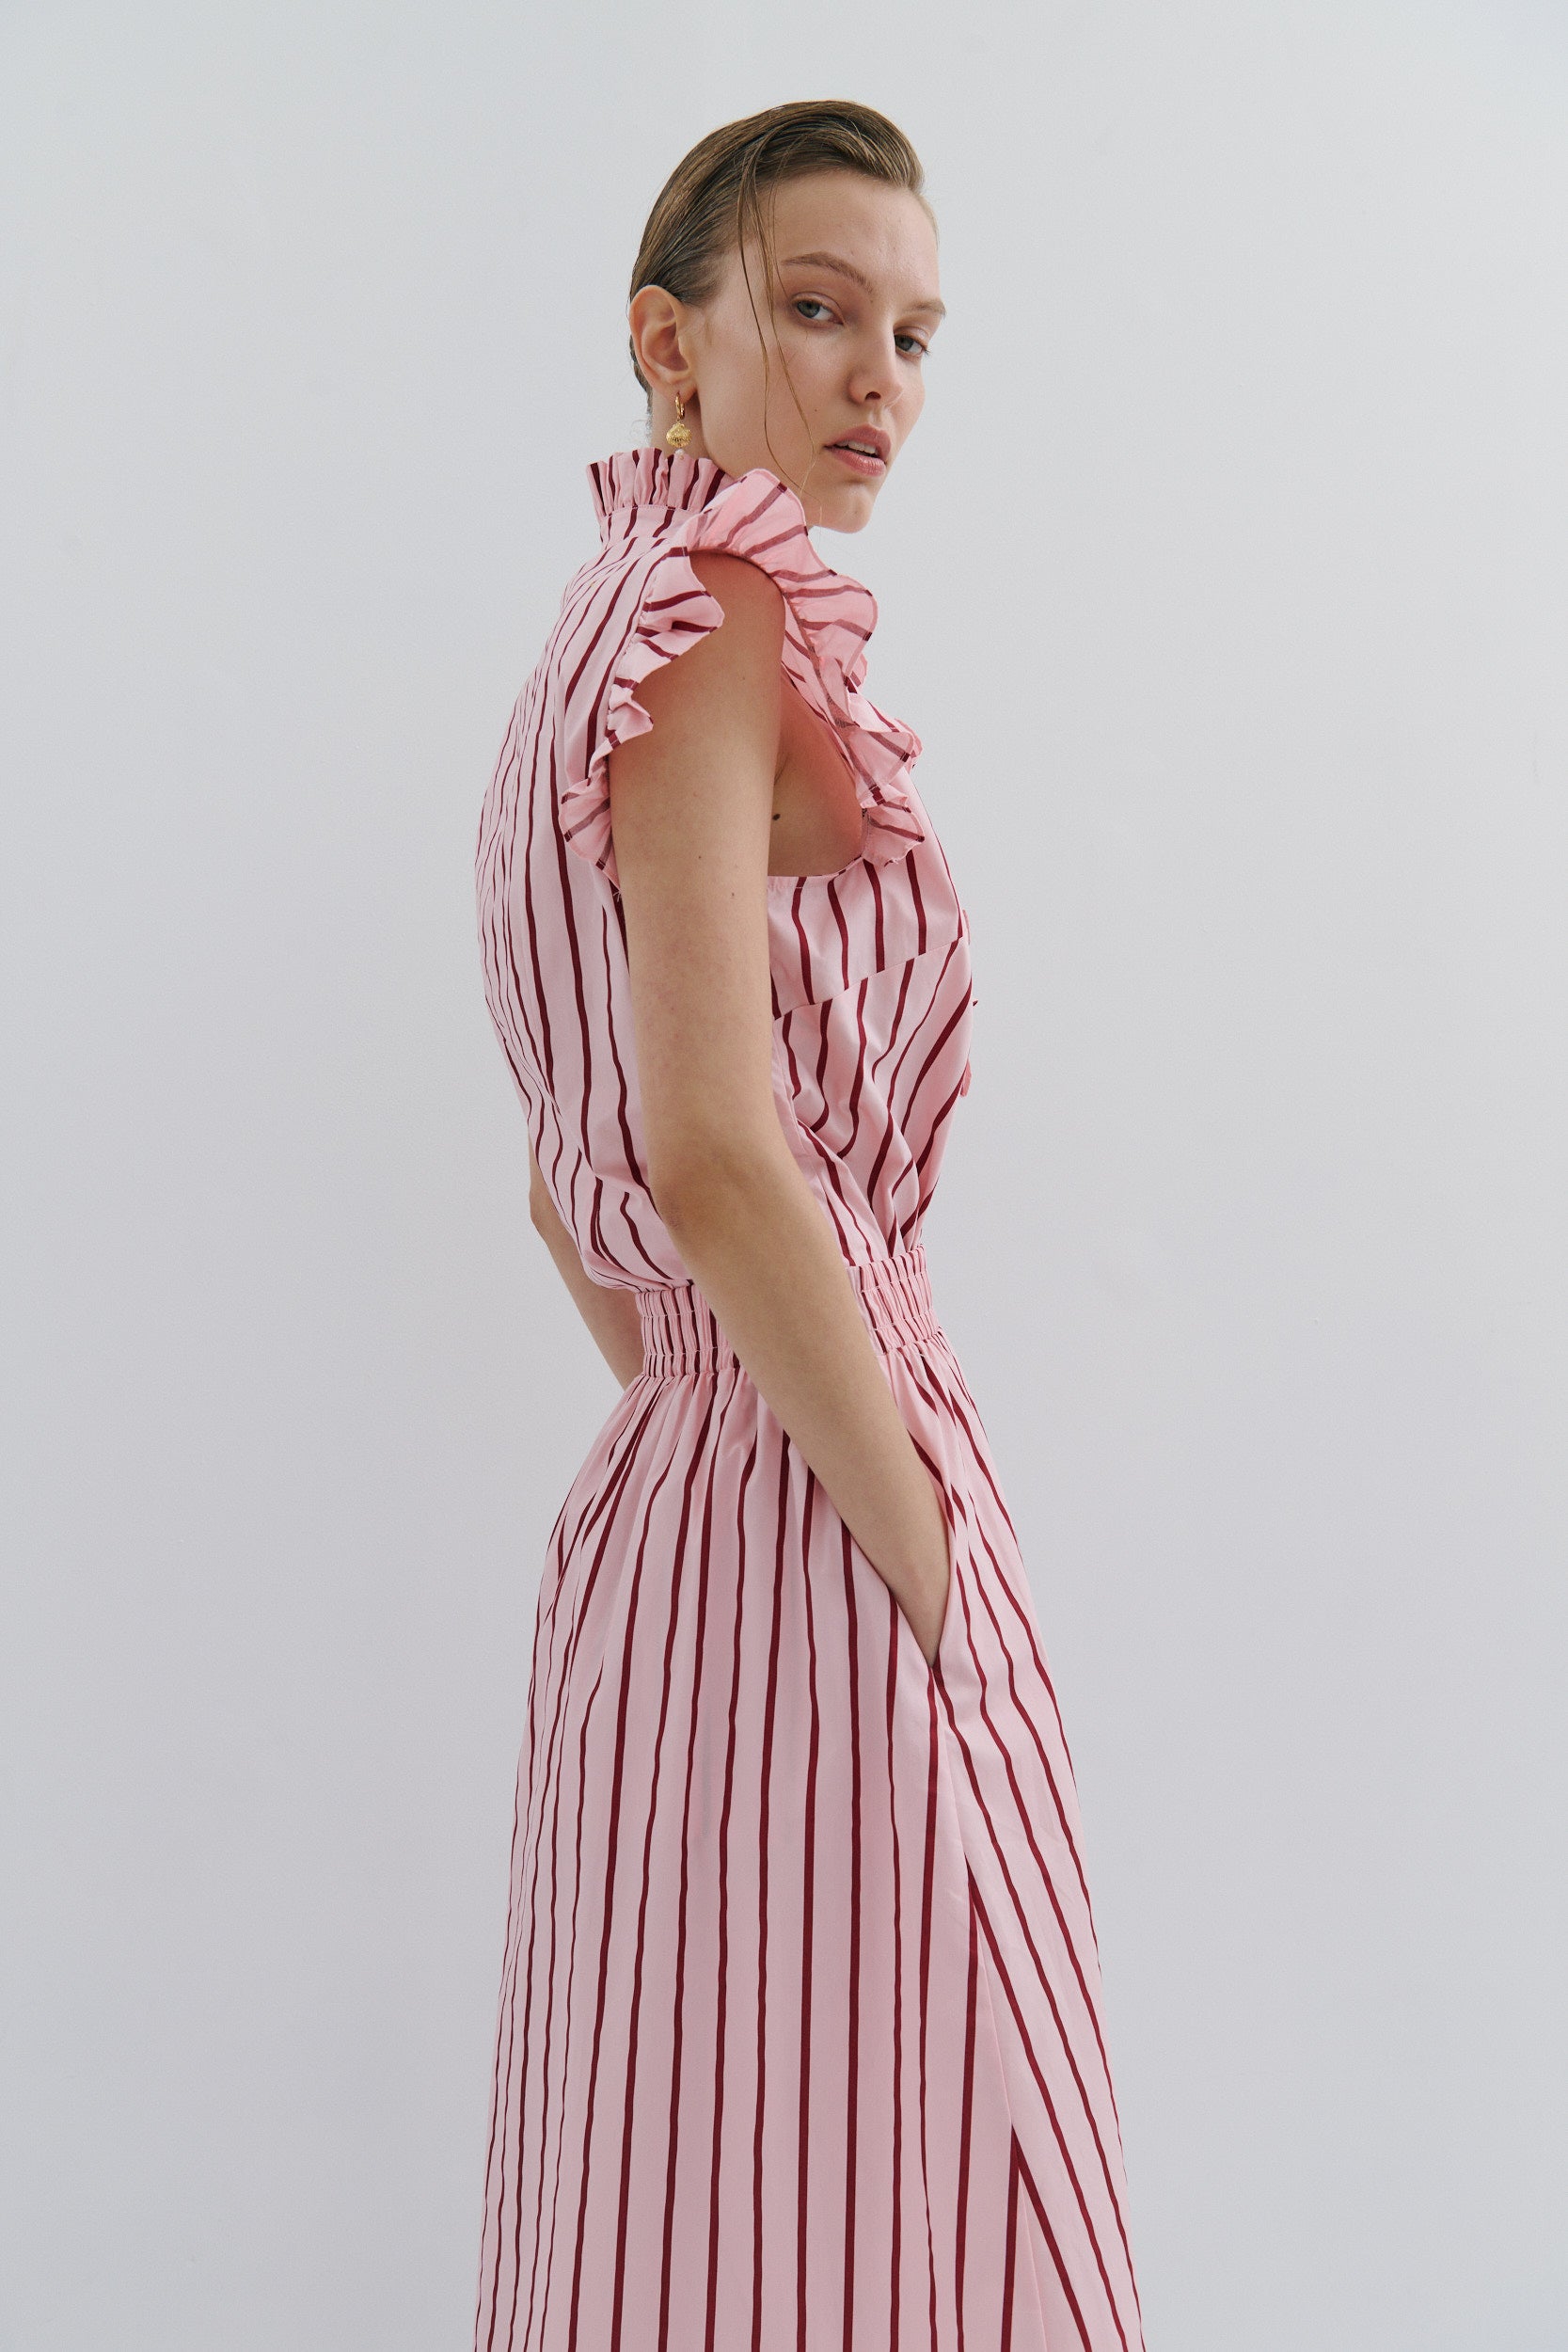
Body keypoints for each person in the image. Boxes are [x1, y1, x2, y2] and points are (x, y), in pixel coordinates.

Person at [470, 98, 1145, 2352]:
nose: (883, 381)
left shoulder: (583, 647)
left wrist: (707, 1415)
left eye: (921, 333)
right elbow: (707, 1147)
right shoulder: (719, 616)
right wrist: (913, 1534)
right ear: (668, 344)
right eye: (821, 308)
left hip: (685, 1510)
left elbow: (571, 1177)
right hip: (833, 1503)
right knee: (906, 2175)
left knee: (703, 2180)